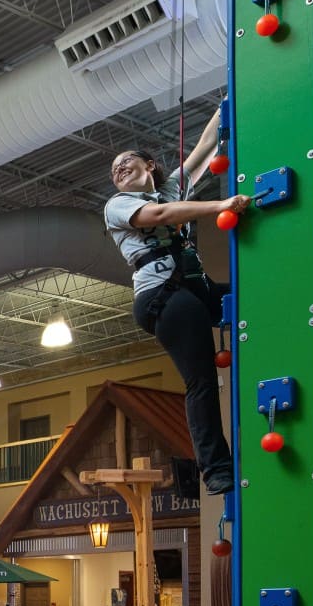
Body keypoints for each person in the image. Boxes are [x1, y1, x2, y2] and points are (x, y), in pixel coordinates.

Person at [104, 109, 251, 496]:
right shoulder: (118, 206)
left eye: (127, 162)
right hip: (162, 298)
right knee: (201, 380)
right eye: (115, 170)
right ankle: (216, 468)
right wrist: (221, 206)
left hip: (194, 288)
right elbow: (162, 215)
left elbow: (203, 149)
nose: (119, 170)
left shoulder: (168, 187)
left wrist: (225, 106)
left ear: (150, 165)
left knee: (251, 300)